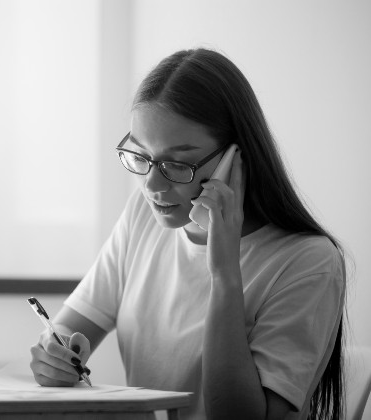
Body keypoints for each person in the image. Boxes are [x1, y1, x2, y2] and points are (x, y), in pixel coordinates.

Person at [29, 48, 346, 420]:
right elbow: (69, 329)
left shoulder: (308, 261)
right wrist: (55, 354)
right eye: (141, 156)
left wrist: (224, 273)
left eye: (177, 164)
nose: (152, 186)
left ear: (234, 159)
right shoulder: (143, 218)